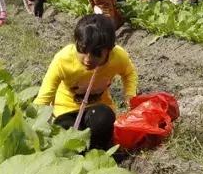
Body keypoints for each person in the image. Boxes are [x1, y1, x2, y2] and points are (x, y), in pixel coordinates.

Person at [35, 14, 137, 151]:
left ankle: (97, 149)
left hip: (98, 108)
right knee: (65, 133)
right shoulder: (63, 59)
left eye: (96, 54)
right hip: (66, 110)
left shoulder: (118, 57)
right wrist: (34, 123)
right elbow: (45, 94)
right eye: (83, 50)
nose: (88, 59)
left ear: (109, 50)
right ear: (76, 42)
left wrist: (130, 95)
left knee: (103, 120)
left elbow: (129, 73)